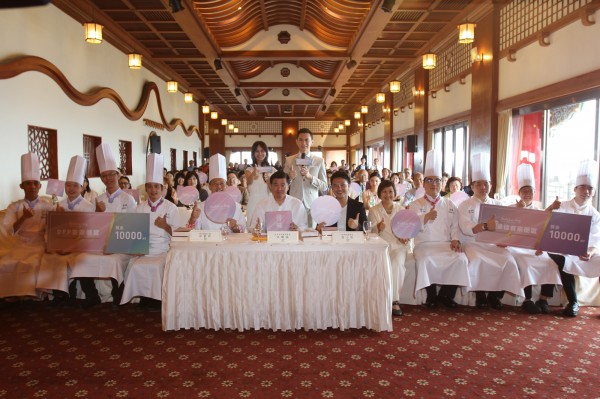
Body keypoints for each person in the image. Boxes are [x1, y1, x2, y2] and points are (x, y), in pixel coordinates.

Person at [69, 143, 136, 308]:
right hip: (101, 245)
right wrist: (98, 214)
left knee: (113, 261)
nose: (108, 178)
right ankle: (92, 296)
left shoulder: (129, 199)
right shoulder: (97, 199)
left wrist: (114, 245)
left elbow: (132, 228)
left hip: (123, 245)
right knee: (82, 259)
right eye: (104, 176)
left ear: (118, 175)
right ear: (101, 178)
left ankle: (118, 295)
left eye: (111, 174)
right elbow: (94, 229)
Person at [458, 153, 522, 310]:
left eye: (485, 184)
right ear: (472, 187)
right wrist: (486, 225)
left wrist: (505, 240)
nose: (482, 187)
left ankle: (495, 296)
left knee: (509, 261)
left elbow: (506, 229)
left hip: (494, 245)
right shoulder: (464, 205)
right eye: (478, 184)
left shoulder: (497, 204)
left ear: (490, 186)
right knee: (477, 261)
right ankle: (480, 295)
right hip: (473, 243)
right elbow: (466, 228)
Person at [409, 150, 470, 309]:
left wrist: (455, 239)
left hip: (445, 243)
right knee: (425, 259)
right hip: (424, 244)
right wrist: (425, 217)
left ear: (442, 184)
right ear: (424, 183)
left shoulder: (449, 204)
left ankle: (446, 295)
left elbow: (455, 225)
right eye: (430, 180)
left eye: (437, 181)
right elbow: (410, 225)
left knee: (461, 259)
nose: (434, 184)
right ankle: (431, 295)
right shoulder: (416, 204)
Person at [120, 154, 180, 310]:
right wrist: (135, 248)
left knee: (156, 266)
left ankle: (158, 299)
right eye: (150, 186)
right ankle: (144, 297)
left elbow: (179, 234)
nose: (153, 190)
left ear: (162, 189)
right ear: (145, 188)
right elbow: (134, 231)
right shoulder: (140, 207)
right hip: (144, 249)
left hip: (163, 249)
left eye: (156, 186)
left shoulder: (170, 207)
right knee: (134, 266)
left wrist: (166, 226)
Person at [38, 155, 96, 304]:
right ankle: (61, 294)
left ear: (82, 187)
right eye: (68, 185)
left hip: (82, 247)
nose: (71, 189)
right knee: (53, 259)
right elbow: (52, 232)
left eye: (75, 185)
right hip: (62, 247)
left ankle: (91, 295)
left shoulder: (88, 207)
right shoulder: (59, 206)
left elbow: (88, 234)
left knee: (80, 260)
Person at [548, 159, 600, 317]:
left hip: (584, 252)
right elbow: (546, 226)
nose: (586, 191)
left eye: (590, 188)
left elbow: (595, 237)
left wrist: (590, 252)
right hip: (561, 251)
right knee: (564, 261)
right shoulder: (562, 206)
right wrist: (550, 208)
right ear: (575, 189)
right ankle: (573, 302)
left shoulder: (594, 214)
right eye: (583, 187)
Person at [509, 163, 561, 314]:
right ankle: (527, 300)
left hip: (534, 246)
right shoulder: (511, 208)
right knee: (526, 264)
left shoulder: (538, 210)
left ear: (534, 192)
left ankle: (544, 299)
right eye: (524, 190)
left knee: (550, 263)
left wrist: (541, 245)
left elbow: (542, 228)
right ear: (519, 193)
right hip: (516, 246)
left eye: (529, 191)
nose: (527, 193)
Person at [0, 153, 54, 300]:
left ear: (40, 186)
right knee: (6, 263)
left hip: (40, 243)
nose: (32, 187)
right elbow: (9, 230)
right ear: (22, 186)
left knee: (33, 263)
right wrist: (23, 217)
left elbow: (54, 228)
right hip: (20, 244)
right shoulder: (14, 206)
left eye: (35, 183)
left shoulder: (47, 206)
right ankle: (11, 295)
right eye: (28, 183)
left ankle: (33, 295)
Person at [368, 180, 410, 316]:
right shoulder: (374, 210)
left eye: (390, 191)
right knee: (384, 262)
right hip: (381, 245)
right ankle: (381, 298)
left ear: (395, 193)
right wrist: (377, 228)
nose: (388, 195)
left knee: (396, 262)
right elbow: (370, 232)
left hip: (398, 245)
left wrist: (404, 237)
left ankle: (394, 301)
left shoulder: (401, 210)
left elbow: (408, 230)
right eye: (384, 192)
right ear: (380, 194)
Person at [188, 154, 245, 231]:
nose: (219, 187)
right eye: (215, 183)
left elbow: (243, 229)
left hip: (230, 242)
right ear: (209, 186)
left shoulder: (236, 206)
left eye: (222, 183)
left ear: (226, 186)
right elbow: (191, 231)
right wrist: (193, 218)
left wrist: (235, 227)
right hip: (207, 242)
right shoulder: (200, 207)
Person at [283, 128, 328, 226]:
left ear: (312, 141)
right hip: (294, 202)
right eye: (300, 140)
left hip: (311, 204)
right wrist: (290, 178)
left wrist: (310, 177)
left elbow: (324, 186)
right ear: (296, 141)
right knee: (294, 233)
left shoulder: (319, 160)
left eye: (307, 140)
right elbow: (283, 184)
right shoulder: (289, 160)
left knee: (311, 234)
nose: (304, 143)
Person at [245, 141, 272, 229]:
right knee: (253, 229)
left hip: (268, 202)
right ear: (253, 153)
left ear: (266, 153)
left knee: (267, 228)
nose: (260, 153)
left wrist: (268, 181)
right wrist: (253, 174)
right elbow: (248, 182)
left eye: (262, 151)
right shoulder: (249, 169)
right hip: (253, 202)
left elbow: (273, 190)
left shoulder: (272, 170)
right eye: (257, 151)